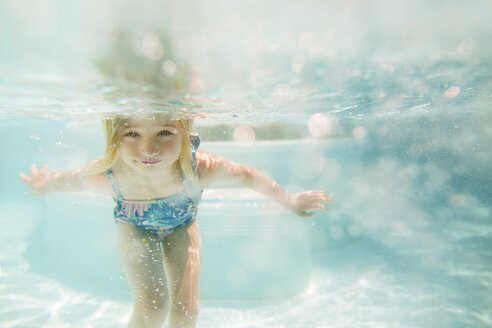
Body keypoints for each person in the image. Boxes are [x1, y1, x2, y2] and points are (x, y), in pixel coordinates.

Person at [19, 114, 333, 328]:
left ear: (184, 133)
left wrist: (289, 200)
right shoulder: (113, 170)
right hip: (134, 227)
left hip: (183, 227)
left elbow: (246, 176)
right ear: (115, 137)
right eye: (132, 133)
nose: (148, 148)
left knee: (186, 313)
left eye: (164, 132)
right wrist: (46, 184)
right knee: (153, 308)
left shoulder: (199, 168)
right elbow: (73, 180)